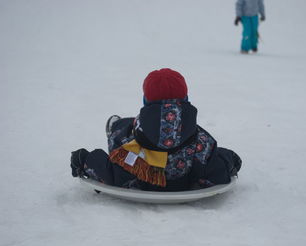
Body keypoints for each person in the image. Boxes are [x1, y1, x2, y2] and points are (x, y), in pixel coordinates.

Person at [70, 68, 242, 192]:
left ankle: (118, 125)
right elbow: (216, 172)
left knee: (124, 135)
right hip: (186, 165)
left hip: (139, 165)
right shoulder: (201, 142)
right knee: (210, 152)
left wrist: (84, 159)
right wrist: (231, 160)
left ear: (145, 100)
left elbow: (108, 173)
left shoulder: (130, 143)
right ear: (186, 99)